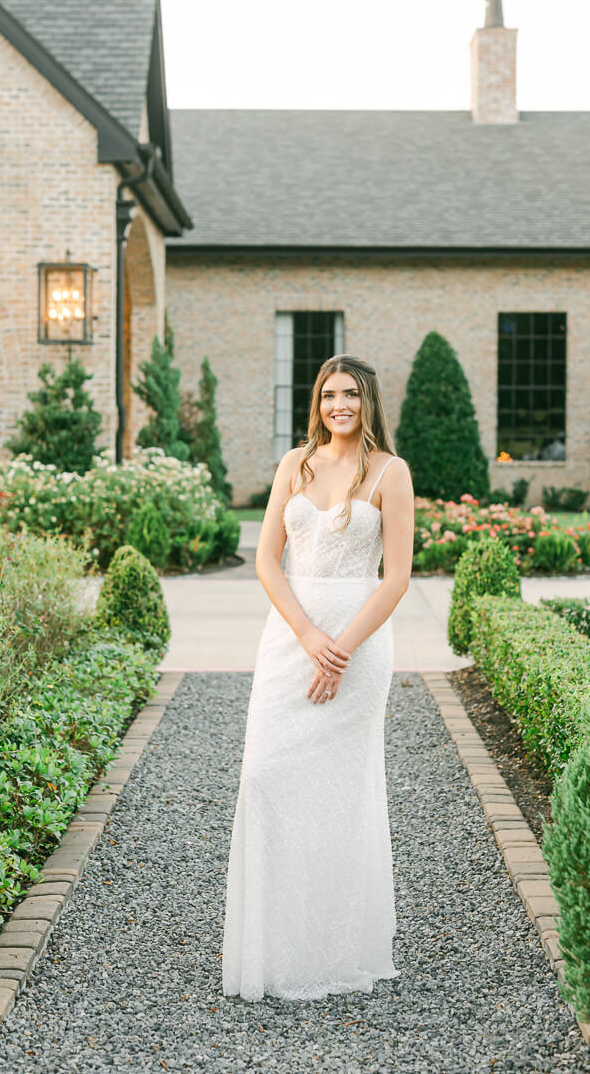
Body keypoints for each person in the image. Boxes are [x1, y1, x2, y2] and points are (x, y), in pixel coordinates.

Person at [222, 354, 415, 1001]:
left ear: (368, 403)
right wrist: (308, 637)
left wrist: (342, 650)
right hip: (290, 640)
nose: (339, 405)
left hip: (359, 648)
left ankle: (331, 953)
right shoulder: (294, 466)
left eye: (351, 395)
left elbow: (396, 577)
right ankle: (273, 950)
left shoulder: (391, 472)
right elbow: (267, 559)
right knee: (265, 773)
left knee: (340, 795)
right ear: (317, 402)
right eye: (329, 394)